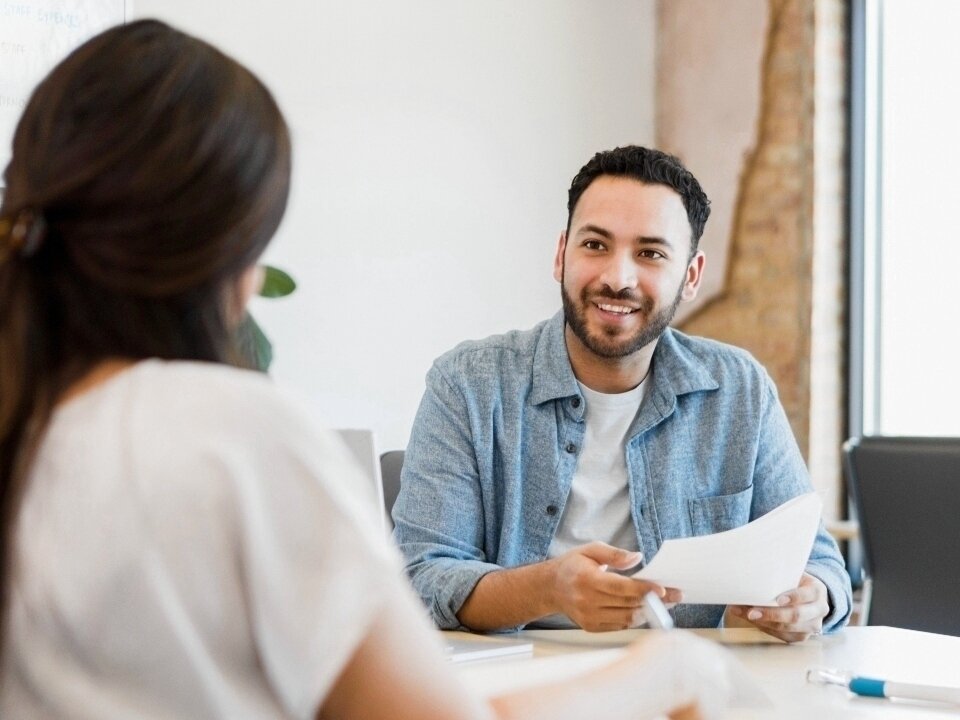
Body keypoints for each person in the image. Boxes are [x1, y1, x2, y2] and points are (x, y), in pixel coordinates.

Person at [0, 21, 733, 720]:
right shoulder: (235, 437)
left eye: (651, 252)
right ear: (230, 256)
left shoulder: (34, 424)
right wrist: (668, 672)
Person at [393, 145, 853, 643]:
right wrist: (547, 589)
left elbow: (820, 562)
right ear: (560, 255)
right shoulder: (467, 384)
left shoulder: (739, 390)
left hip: (679, 683)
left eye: (650, 253)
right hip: (515, 686)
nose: (617, 278)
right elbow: (421, 581)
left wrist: (812, 599)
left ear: (691, 276)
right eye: (595, 246)